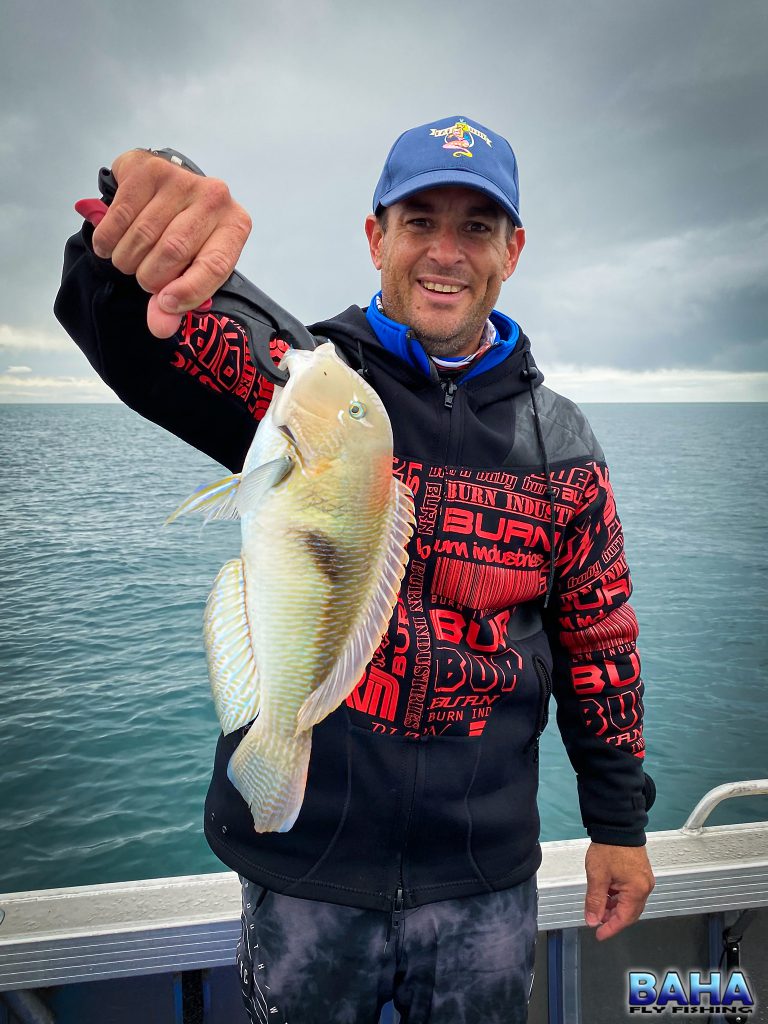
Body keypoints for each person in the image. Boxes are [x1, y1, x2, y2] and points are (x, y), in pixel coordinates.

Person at [55, 115, 656, 1024]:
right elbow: (151, 333)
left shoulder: (562, 444)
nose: (445, 252)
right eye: (419, 221)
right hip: (307, 873)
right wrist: (146, 208)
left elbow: (598, 638)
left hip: (482, 881)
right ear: (375, 237)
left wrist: (618, 825)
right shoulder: (303, 383)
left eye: (476, 227)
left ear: (513, 251)